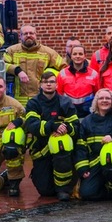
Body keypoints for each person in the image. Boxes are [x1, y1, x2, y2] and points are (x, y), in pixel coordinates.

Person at [24, 70, 79, 200]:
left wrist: (65, 129)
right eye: (45, 82)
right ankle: (40, 175)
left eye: (51, 82)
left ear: (57, 84)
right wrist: (52, 126)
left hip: (61, 148)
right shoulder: (33, 103)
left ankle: (63, 189)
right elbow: (32, 125)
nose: (48, 84)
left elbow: (76, 126)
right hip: (41, 149)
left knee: (61, 142)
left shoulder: (65, 102)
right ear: (40, 84)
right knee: (45, 191)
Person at [76, 88, 112, 201]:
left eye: (108, 98)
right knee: (87, 193)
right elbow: (81, 146)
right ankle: (107, 190)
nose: (104, 101)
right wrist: (83, 168)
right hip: (95, 163)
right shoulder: (87, 121)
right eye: (101, 98)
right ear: (96, 102)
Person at [4, 25, 64, 106]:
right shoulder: (12, 50)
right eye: (25, 34)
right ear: (20, 36)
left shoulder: (48, 52)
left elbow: (64, 68)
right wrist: (17, 70)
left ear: (36, 35)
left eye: (31, 33)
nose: (28, 35)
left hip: (41, 99)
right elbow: (0, 65)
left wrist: (50, 74)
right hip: (18, 101)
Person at [56, 44, 100, 118]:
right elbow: (58, 95)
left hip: (88, 113)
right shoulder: (62, 73)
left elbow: (98, 94)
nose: (77, 56)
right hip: (68, 112)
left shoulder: (94, 74)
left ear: (85, 56)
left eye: (80, 54)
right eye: (75, 54)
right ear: (71, 56)